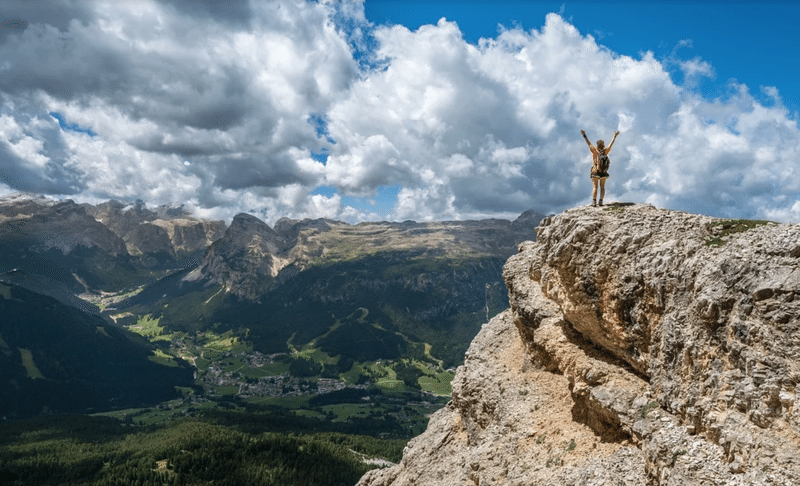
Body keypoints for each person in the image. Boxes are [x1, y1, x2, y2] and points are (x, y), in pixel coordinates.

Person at [581, 129, 620, 206]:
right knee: (602, 187)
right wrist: (614, 136)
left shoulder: (594, 151)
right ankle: (601, 201)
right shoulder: (606, 151)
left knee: (595, 187)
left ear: (597, 146)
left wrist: (584, 135)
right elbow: (611, 144)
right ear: (603, 145)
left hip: (595, 172)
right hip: (603, 173)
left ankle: (594, 202)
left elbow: (588, 143)